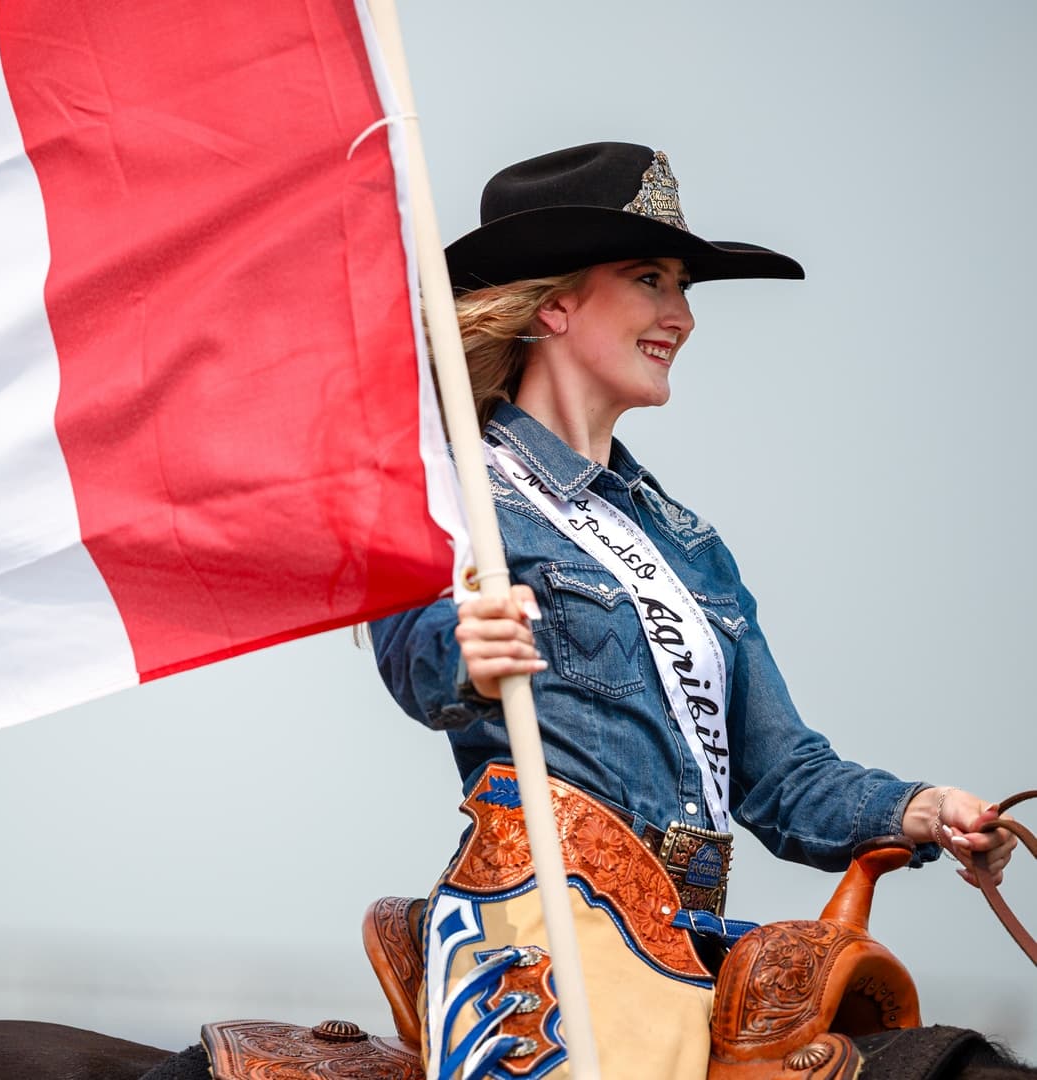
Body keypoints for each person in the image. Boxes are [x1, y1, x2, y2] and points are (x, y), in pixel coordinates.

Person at [369, 142, 1016, 1080]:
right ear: (554, 305)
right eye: (650, 280)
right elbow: (411, 653)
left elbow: (781, 776)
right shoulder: (457, 495)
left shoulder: (688, 543)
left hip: (693, 930)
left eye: (683, 286)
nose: (682, 315)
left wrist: (919, 809)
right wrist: (462, 653)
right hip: (538, 932)